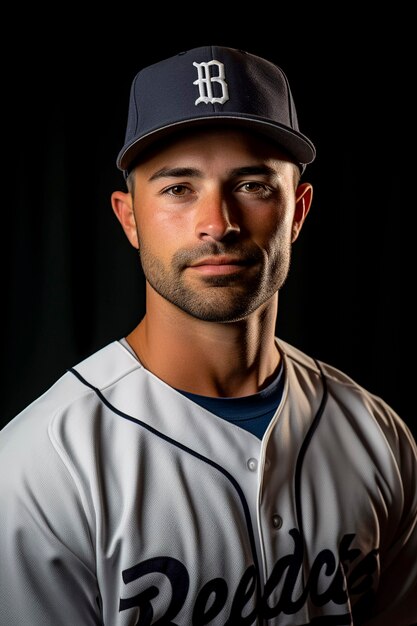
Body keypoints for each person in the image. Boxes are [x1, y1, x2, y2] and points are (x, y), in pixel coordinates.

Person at [0, 45, 416, 626]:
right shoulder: (41, 467)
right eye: (177, 188)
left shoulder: (379, 435)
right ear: (129, 218)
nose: (217, 222)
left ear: (297, 211)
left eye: (252, 184)